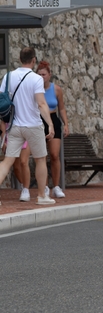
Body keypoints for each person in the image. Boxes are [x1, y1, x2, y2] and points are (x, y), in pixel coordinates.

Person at [0, 47, 56, 206]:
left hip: (15, 125)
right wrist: (50, 124)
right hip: (33, 125)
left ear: (19, 59)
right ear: (33, 60)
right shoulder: (36, 79)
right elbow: (41, 103)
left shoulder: (8, 77)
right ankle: (41, 196)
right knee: (40, 160)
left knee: (7, 162)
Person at [36, 60, 70, 198]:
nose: (42, 77)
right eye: (39, 75)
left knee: (54, 155)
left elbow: (61, 108)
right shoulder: (35, 90)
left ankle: (56, 186)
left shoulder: (56, 89)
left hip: (53, 119)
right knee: (41, 156)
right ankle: (44, 186)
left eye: (44, 74)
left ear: (49, 75)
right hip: (39, 121)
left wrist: (66, 124)